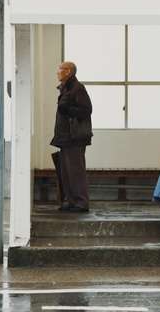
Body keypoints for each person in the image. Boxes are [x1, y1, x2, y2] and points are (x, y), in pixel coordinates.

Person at [50, 61, 93, 212]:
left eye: (59, 69)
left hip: (74, 138)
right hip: (65, 138)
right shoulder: (66, 88)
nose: (57, 72)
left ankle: (81, 203)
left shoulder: (77, 88)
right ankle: (70, 201)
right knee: (66, 172)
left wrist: (67, 109)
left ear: (68, 71)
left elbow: (86, 110)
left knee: (75, 171)